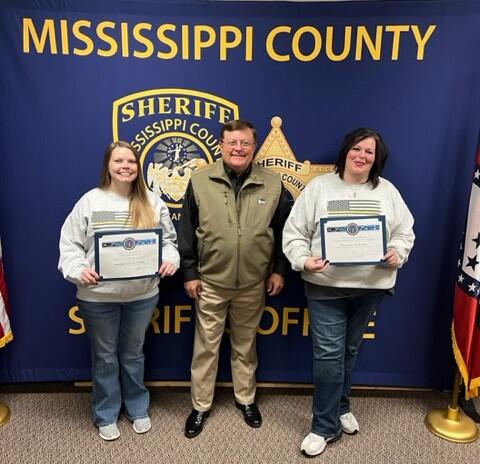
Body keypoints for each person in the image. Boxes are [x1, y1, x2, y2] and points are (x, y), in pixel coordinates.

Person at [282, 128, 415, 457]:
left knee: (349, 351)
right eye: (357, 149)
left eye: (369, 152)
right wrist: (303, 260)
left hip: (370, 287)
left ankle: (340, 407)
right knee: (328, 355)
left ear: (376, 158)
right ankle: (323, 426)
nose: (362, 156)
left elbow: (404, 232)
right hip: (325, 286)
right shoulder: (319, 188)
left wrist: (398, 252)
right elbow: (294, 232)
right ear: (345, 152)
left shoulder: (388, 192)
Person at [58, 141, 180, 441]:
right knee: (105, 357)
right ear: (108, 166)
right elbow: (70, 245)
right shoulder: (90, 201)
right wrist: (77, 271)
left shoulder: (152, 202)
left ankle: (138, 408)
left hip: (142, 295)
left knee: (133, 355)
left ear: (138, 168)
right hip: (98, 298)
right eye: (119, 161)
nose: (125, 166)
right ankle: (106, 413)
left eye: (131, 161)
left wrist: (170, 260)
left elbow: (169, 242)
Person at [178, 119, 291, 438]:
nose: (238, 148)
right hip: (211, 282)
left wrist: (279, 269)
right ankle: (200, 406)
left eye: (245, 143)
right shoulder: (200, 181)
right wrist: (190, 272)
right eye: (232, 143)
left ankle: (246, 400)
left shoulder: (272, 183)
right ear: (221, 145)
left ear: (253, 147)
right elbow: (186, 230)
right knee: (206, 348)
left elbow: (283, 231)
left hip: (254, 283)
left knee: (245, 345)